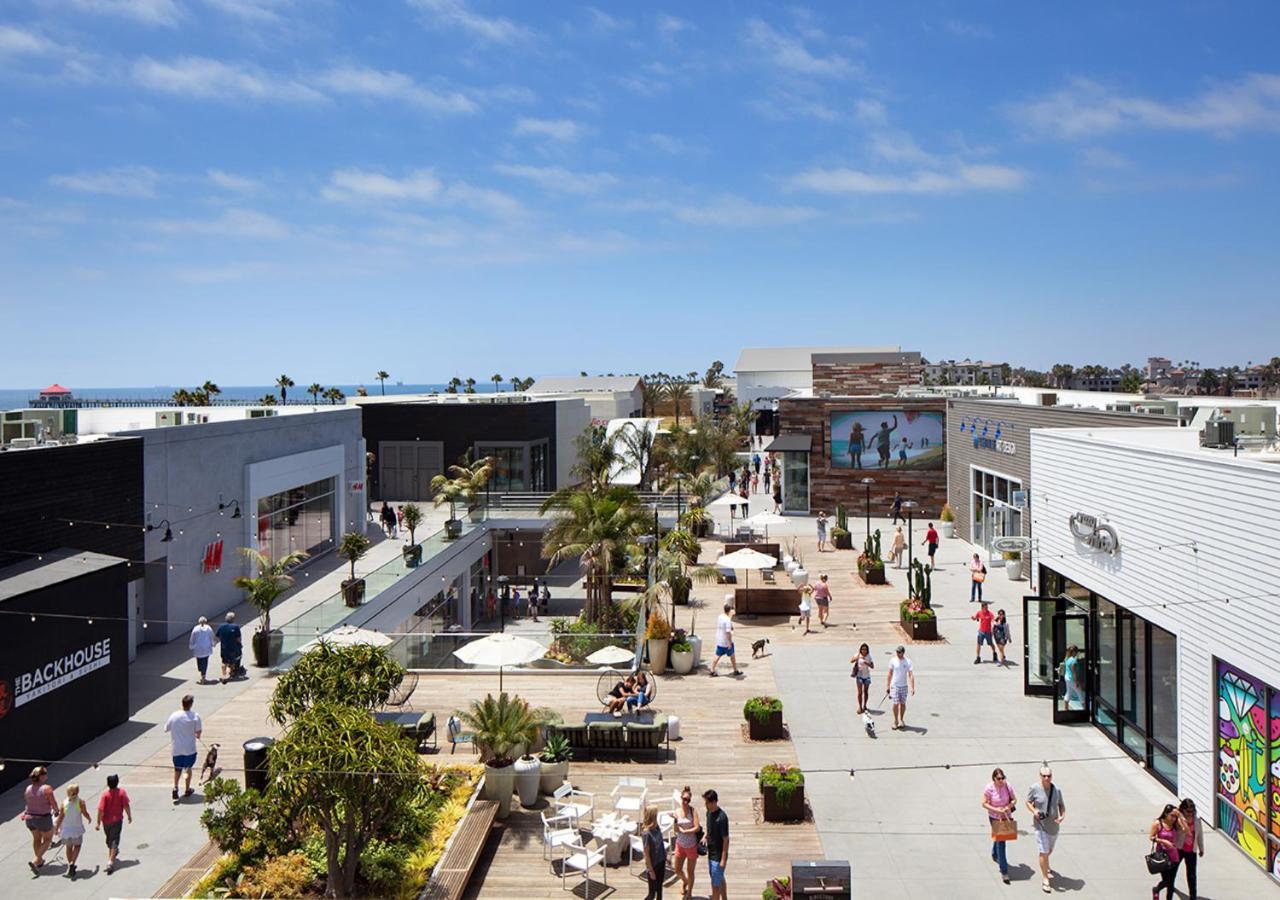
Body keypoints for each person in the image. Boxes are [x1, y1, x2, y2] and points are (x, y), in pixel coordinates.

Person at [1025, 766, 1065, 893]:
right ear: (1040, 776)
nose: (1046, 778)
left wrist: (1062, 816)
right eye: (1044, 776)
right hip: (1040, 825)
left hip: (1053, 826)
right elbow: (1028, 802)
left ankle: (1045, 864)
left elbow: (1061, 805)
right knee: (1043, 851)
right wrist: (1034, 810)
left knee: (1049, 850)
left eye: (1049, 776)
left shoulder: (1057, 790)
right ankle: (1045, 878)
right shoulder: (1034, 788)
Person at [165, 694, 203, 801]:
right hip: (189, 749)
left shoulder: (174, 715)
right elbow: (198, 733)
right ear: (191, 705)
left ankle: (175, 787)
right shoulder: (195, 716)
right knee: (187, 769)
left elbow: (166, 728)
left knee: (177, 769)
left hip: (176, 749)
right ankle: (187, 789)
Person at [982, 768, 1017, 884]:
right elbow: (984, 803)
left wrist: (1007, 807)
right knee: (1001, 842)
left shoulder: (1008, 786)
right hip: (994, 817)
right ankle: (1004, 871)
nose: (1001, 780)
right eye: (999, 779)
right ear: (994, 779)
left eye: (1003, 778)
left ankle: (994, 853)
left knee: (999, 838)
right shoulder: (989, 788)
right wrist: (996, 809)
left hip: (1005, 816)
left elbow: (1014, 800)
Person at [22, 766, 58, 875]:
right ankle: (36, 860)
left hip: (29, 818)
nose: (47, 774)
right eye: (45, 773)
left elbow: (28, 802)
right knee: (47, 840)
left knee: (36, 838)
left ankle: (40, 861)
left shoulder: (28, 788)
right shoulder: (47, 789)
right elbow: (53, 804)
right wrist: (57, 811)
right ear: (41, 776)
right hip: (43, 818)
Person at [96, 773, 132, 875]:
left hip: (110, 821)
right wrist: (129, 815)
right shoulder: (120, 793)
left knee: (113, 841)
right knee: (110, 840)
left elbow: (100, 810)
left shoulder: (106, 795)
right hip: (112, 821)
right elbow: (126, 806)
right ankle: (114, 851)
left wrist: (98, 822)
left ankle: (110, 862)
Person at [1149, 803, 1186, 900]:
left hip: (1173, 856)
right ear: (1166, 814)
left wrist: (1180, 817)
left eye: (1175, 816)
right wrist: (1163, 841)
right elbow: (1151, 837)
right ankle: (1156, 889)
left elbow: (1185, 830)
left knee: (1171, 882)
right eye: (1172, 816)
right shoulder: (1158, 823)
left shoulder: (1175, 824)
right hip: (1162, 856)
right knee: (1166, 880)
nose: (1173, 818)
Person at [56, 782, 91, 879]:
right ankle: (72, 863)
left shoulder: (64, 803)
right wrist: (89, 818)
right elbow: (84, 812)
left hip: (66, 830)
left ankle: (70, 864)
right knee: (77, 846)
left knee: (68, 847)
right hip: (76, 828)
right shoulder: (80, 802)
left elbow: (60, 817)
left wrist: (57, 828)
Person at [703, 789, 730, 900]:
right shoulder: (708, 812)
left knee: (715, 885)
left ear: (714, 802)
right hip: (711, 851)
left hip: (718, 856)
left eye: (707, 802)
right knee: (719, 878)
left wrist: (723, 859)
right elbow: (709, 828)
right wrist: (705, 836)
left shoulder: (722, 818)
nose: (705, 805)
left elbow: (726, 839)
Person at [1176, 797, 1204, 899]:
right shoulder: (1179, 819)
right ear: (1183, 809)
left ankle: (1193, 896)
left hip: (1191, 851)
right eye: (1188, 811)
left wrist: (1201, 848)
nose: (1190, 813)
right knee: (1172, 871)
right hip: (1179, 849)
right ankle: (1170, 887)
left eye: (1192, 811)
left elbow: (1199, 835)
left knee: (1192, 875)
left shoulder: (1197, 820)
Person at [886, 645, 915, 729]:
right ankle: (895, 721)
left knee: (902, 704)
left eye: (899, 652)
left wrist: (912, 687)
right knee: (895, 703)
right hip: (894, 685)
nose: (898, 654)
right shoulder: (893, 660)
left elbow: (911, 675)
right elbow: (890, 673)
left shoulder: (908, 662)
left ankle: (901, 720)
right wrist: (888, 686)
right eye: (897, 652)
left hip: (904, 686)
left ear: (903, 653)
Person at [641, 805, 667, 900]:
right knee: (652, 893)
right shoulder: (646, 834)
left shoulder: (657, 827)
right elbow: (646, 854)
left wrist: (665, 855)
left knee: (659, 889)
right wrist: (651, 870)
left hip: (661, 861)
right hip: (653, 865)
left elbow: (661, 842)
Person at [710, 602, 740, 677]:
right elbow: (728, 633)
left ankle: (712, 670)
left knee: (717, 655)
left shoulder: (721, 616)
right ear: (730, 611)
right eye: (733, 609)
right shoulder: (728, 620)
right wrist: (729, 643)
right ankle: (735, 670)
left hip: (719, 640)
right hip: (726, 642)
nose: (734, 611)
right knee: (732, 656)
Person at [215, 611, 242, 683]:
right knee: (232, 661)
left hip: (224, 647)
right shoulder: (235, 627)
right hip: (233, 647)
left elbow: (217, 637)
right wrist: (240, 644)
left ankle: (224, 674)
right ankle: (231, 673)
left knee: (224, 661)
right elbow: (238, 638)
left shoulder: (221, 626)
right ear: (233, 619)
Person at [189, 615, 215, 683]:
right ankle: (203, 674)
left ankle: (202, 675)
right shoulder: (209, 628)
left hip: (198, 648)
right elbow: (211, 637)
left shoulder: (195, 629)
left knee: (200, 661)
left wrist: (191, 645)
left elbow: (192, 638)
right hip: (206, 648)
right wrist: (213, 644)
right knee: (205, 662)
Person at [850, 643, 874, 714]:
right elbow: (851, 661)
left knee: (866, 692)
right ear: (860, 650)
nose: (864, 651)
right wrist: (857, 658)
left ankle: (865, 706)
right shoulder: (857, 655)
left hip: (866, 675)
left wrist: (867, 663)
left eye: (865, 649)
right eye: (862, 649)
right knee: (860, 692)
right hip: (859, 675)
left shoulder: (869, 656)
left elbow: (872, 666)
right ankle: (860, 707)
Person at [1060, 645, 1083, 709]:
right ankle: (1085, 710)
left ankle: (1066, 708)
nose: (1077, 653)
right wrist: (1076, 682)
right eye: (1077, 651)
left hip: (1067, 678)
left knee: (1069, 692)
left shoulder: (1067, 659)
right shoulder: (1073, 661)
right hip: (1072, 679)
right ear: (1074, 652)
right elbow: (1074, 672)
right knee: (1080, 693)